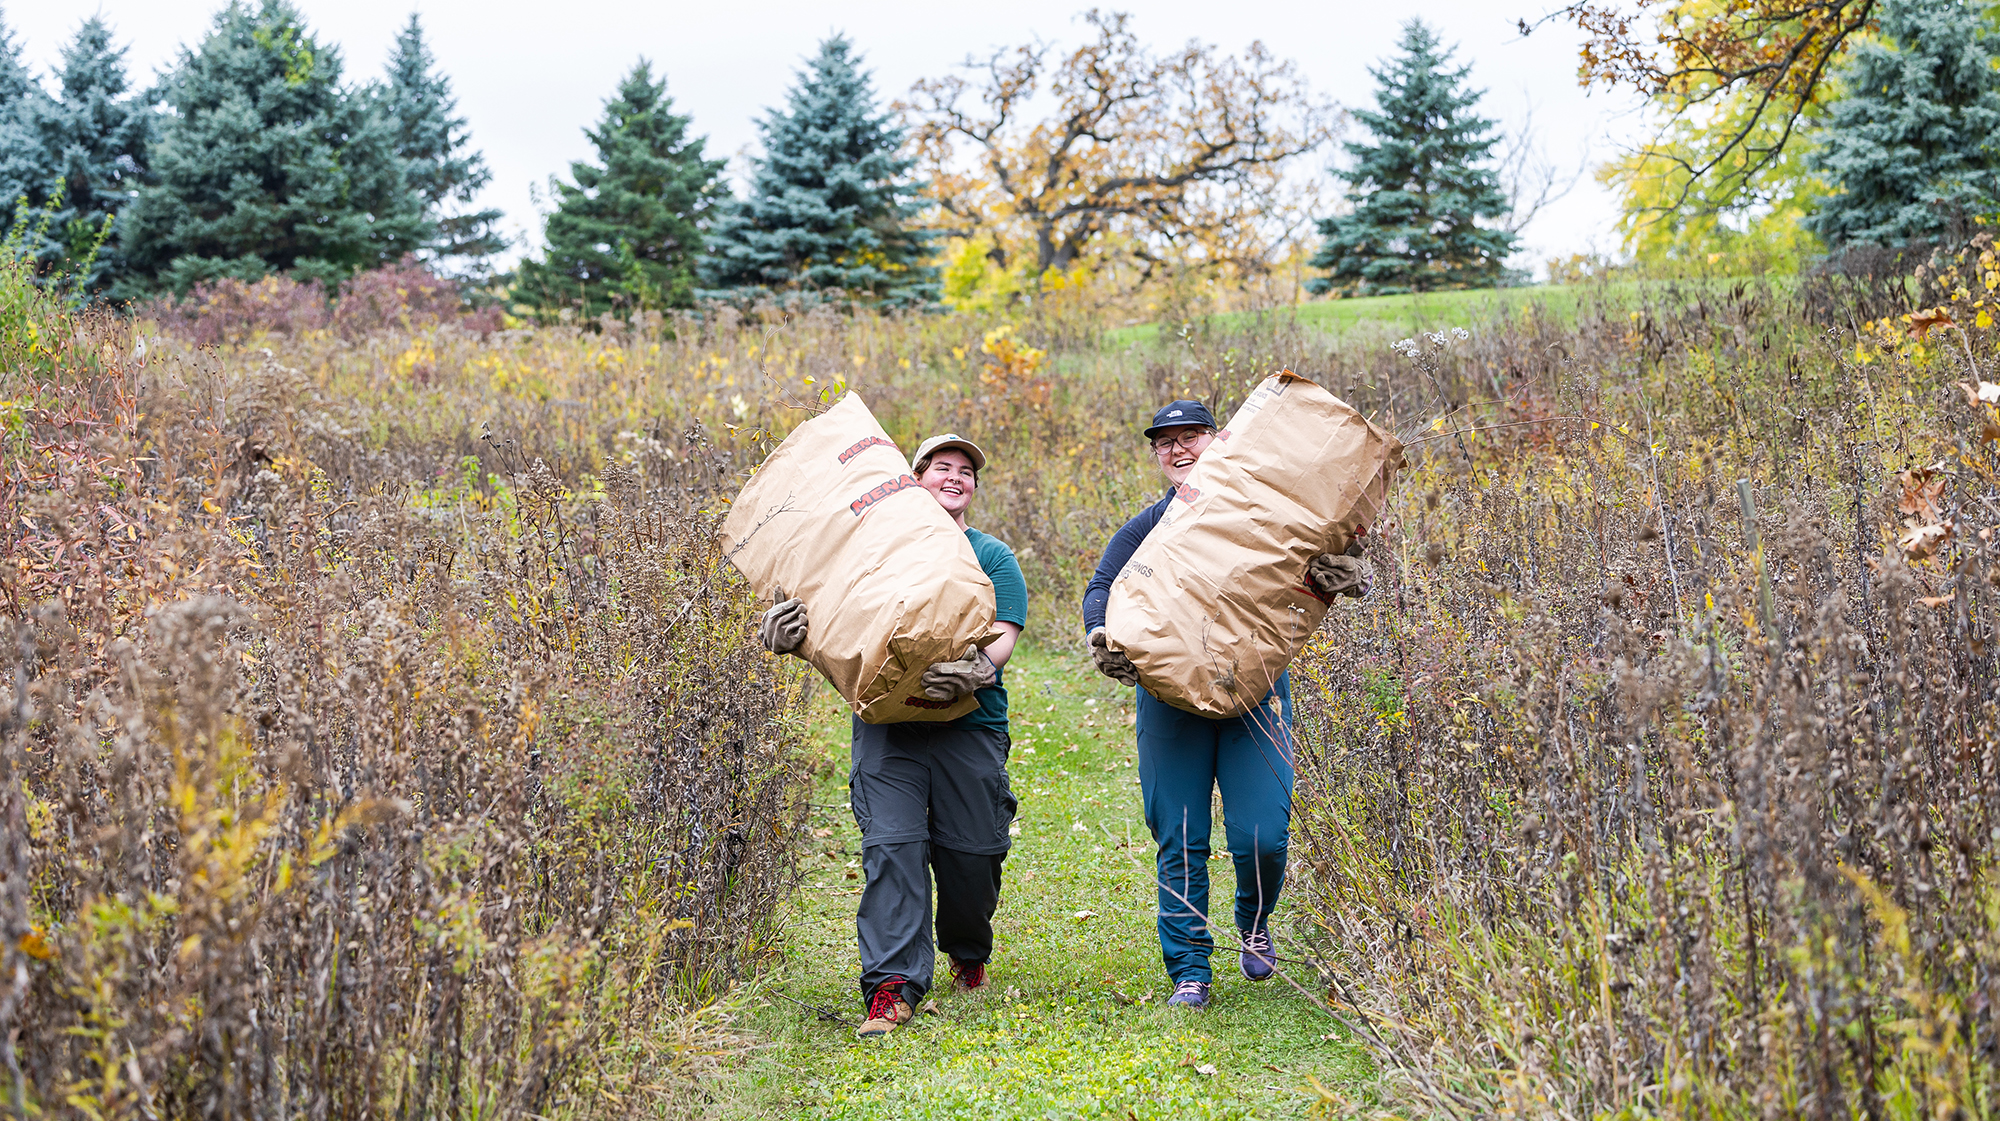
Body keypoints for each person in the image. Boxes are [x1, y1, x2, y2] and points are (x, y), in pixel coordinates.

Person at [1079, 400, 1370, 1010]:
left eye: (1192, 437)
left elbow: (1313, 569)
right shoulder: (1146, 528)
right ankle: (1190, 966)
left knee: (1262, 834)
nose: (1179, 450)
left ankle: (1255, 920)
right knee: (1179, 834)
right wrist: (1100, 634)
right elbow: (1102, 588)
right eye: (1165, 443)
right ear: (1156, 455)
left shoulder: (1261, 517)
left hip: (1256, 695)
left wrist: (1341, 575)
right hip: (1169, 701)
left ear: (1221, 441)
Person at [758, 433, 1027, 1039]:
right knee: (893, 847)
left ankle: (967, 949)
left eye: (966, 470)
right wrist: (785, 637)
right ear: (914, 480)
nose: (955, 477)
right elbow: (833, 622)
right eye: (941, 468)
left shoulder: (993, 557)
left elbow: (1003, 635)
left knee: (974, 853)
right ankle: (891, 988)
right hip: (888, 728)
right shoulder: (870, 553)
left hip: (969, 725)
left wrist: (980, 671)